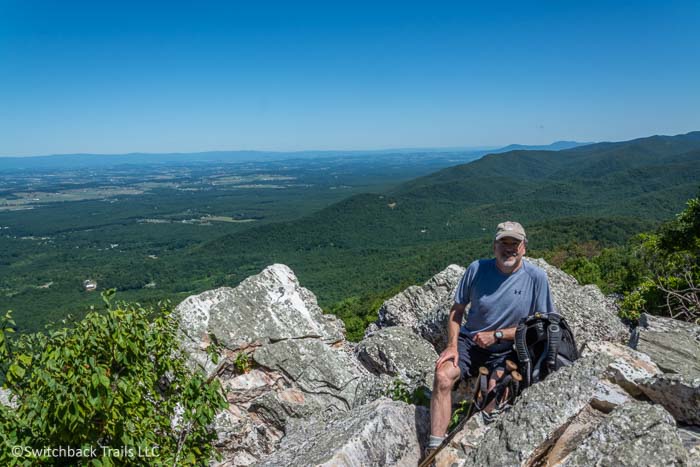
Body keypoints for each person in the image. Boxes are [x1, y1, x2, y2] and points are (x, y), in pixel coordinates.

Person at [426, 221, 557, 452]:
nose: (509, 248)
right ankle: (434, 448)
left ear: (524, 247)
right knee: (443, 376)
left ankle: (473, 448)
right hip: (470, 343)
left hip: (509, 348)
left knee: (494, 393)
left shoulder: (536, 278)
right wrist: (452, 346)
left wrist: (497, 335)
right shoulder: (477, 269)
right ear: (494, 246)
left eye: (514, 243)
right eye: (503, 243)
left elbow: (543, 325)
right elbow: (457, 310)